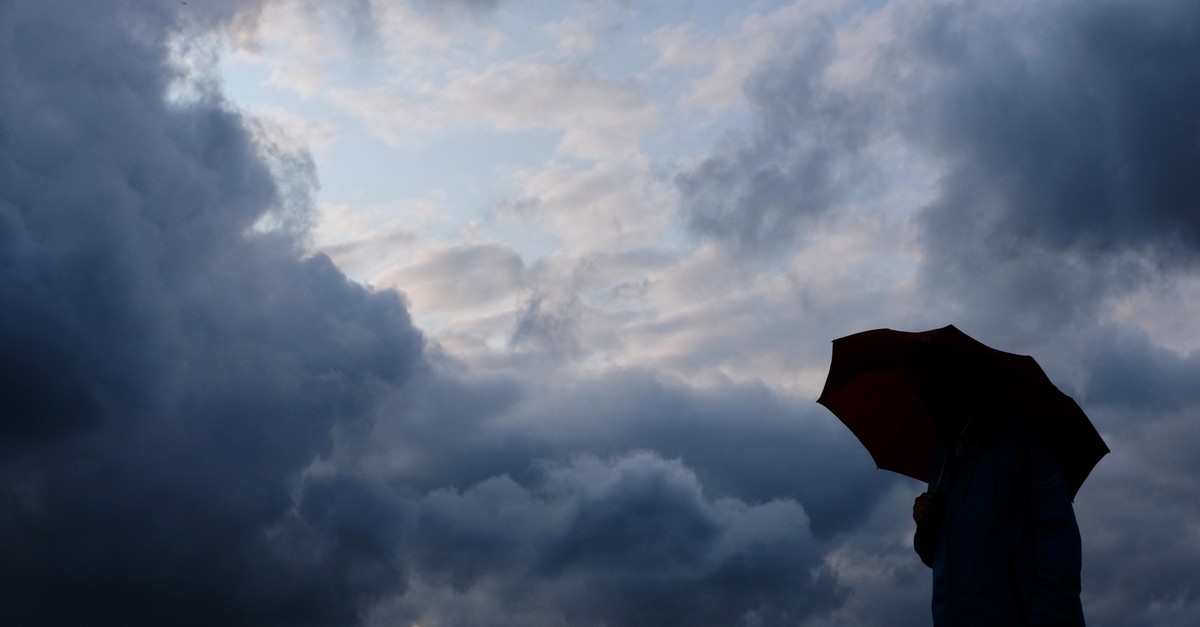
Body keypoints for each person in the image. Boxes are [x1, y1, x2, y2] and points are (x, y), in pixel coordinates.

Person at [911, 368, 1086, 626]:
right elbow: (942, 557)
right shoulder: (944, 459)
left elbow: (1058, 541)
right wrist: (926, 526)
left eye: (932, 390)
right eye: (921, 393)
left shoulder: (1020, 442)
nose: (926, 403)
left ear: (961, 386)